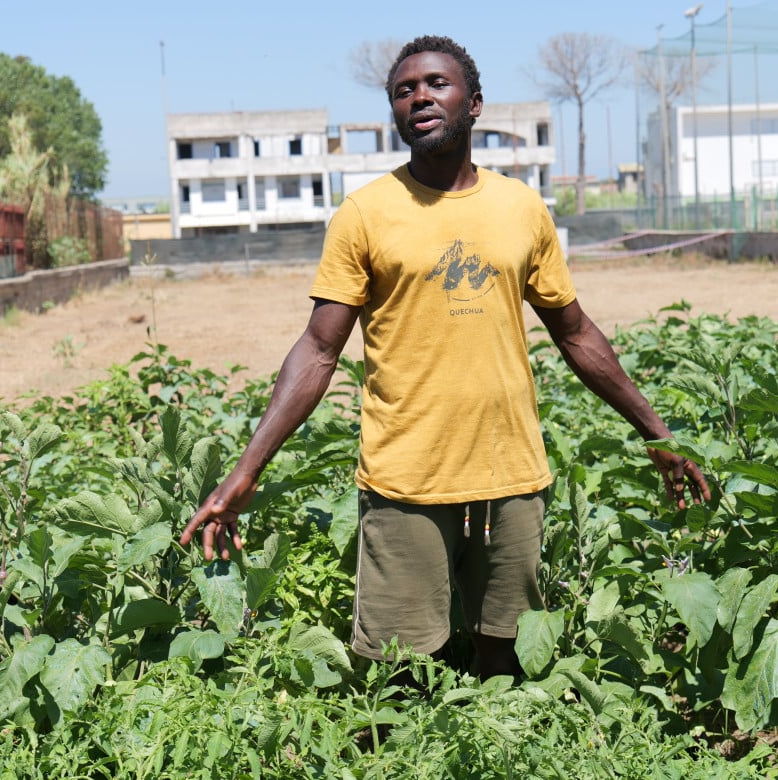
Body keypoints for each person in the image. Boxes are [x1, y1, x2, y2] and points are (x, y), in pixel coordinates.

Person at [179, 35, 710, 679]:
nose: (419, 97)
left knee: (507, 661)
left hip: (510, 474)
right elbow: (319, 350)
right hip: (406, 479)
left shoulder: (520, 208)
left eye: (435, 84)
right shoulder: (365, 214)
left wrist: (657, 432)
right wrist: (245, 472)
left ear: (475, 103)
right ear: (395, 114)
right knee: (397, 674)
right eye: (404, 91)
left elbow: (575, 333)